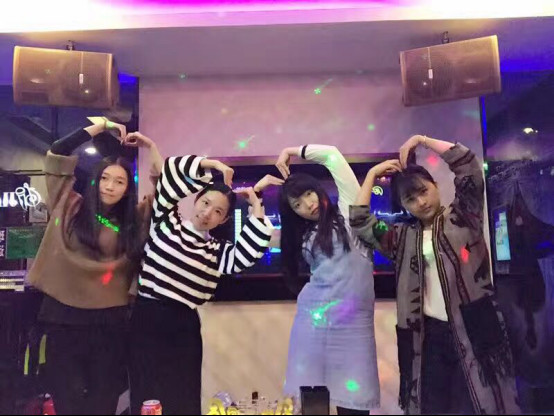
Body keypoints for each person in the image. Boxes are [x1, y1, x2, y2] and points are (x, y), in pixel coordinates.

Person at [350, 135, 520, 414]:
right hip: (427, 336)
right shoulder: (401, 237)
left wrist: (423, 140)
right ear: (404, 205)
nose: (420, 202)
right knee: (433, 406)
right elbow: (359, 222)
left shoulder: (464, 217)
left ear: (435, 186)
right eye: (410, 199)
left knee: (480, 403)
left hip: (473, 327)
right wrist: (371, 174)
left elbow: (468, 166)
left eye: (423, 191)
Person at [27, 120, 163, 415]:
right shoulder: (70, 205)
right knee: (68, 402)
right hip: (62, 318)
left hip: (109, 323)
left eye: (119, 182)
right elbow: (58, 152)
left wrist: (150, 146)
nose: (110, 186)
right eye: (105, 178)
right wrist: (100, 126)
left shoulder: (134, 221)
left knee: (103, 402)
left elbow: (166, 190)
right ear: (95, 180)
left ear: (128, 189)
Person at [128, 147, 277, 415]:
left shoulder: (218, 252)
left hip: (183, 325)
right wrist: (214, 166)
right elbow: (170, 175)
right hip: (145, 317)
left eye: (218, 211)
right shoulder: (166, 222)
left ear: (224, 219)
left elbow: (250, 252)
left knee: (183, 394)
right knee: (144, 392)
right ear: (196, 200)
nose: (208, 213)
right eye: (206, 203)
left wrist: (256, 203)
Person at [276, 145, 380, 415]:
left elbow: (332, 156)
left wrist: (292, 150)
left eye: (308, 193)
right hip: (313, 324)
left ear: (318, 189)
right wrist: (257, 199)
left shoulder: (348, 212)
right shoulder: (302, 236)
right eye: (296, 205)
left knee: (354, 404)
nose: (307, 205)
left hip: (355, 328)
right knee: (313, 407)